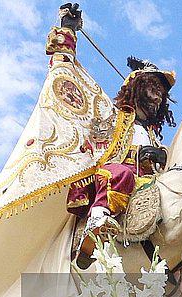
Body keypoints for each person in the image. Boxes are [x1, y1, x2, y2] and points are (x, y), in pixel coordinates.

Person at [67, 57, 175, 267]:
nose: (157, 97)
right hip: (111, 175)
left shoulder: (154, 136)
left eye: (161, 94)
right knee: (121, 174)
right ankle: (97, 219)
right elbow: (97, 145)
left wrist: (161, 156)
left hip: (145, 183)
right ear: (137, 87)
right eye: (154, 89)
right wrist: (137, 155)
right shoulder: (114, 118)